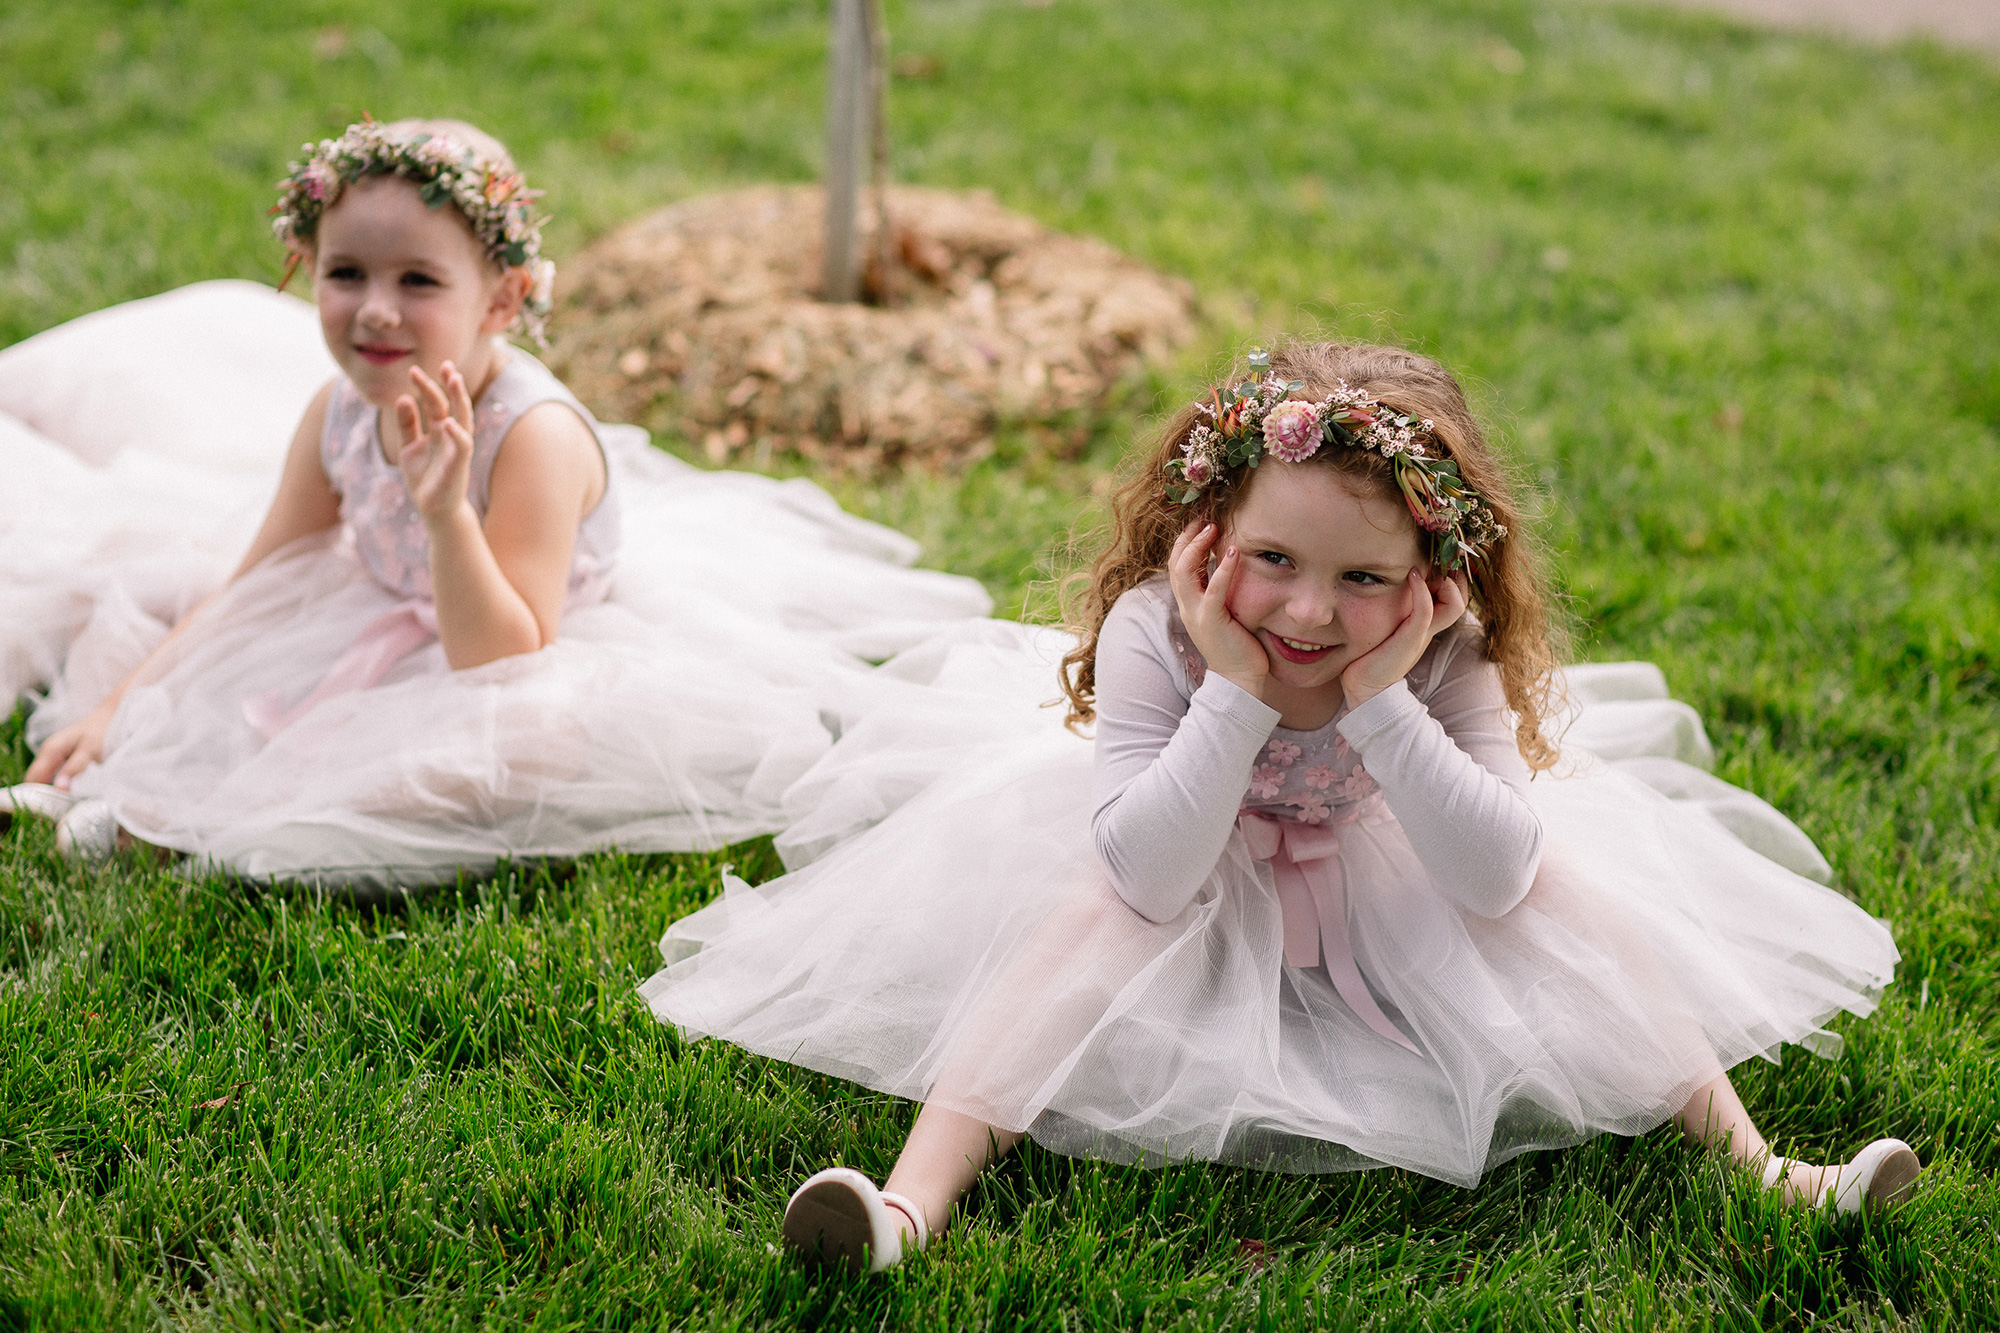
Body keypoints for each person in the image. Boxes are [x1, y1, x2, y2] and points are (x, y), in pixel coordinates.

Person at [640, 341, 1916, 1273]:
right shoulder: (1160, 629)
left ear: (1436, 573)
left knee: (1563, 891)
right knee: (1082, 924)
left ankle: (1765, 1166)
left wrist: (1380, 702)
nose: (1307, 613)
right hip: (1178, 856)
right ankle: (907, 1208)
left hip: (1392, 859)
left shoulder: (1443, 651)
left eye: (1361, 577)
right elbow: (1146, 872)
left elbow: (1491, 873)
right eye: (1272, 563)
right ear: (1205, 535)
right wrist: (1233, 689)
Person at [1, 117, 986, 886]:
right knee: (216, 659)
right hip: (378, 621)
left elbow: (504, 663)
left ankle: (204, 829)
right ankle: (124, 779)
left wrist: (442, 513)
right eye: (346, 273)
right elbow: (260, 577)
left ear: (502, 302)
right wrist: (128, 707)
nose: (375, 308)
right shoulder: (339, 411)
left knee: (466, 759)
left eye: (417, 279)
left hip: (513, 651)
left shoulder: (534, 434)